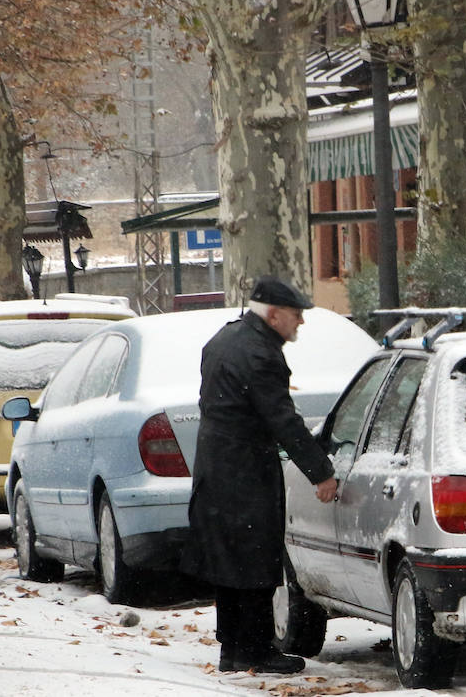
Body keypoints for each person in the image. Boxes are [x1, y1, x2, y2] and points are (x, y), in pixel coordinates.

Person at [180, 274, 337, 675]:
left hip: (215, 464)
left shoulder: (224, 339)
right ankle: (256, 650)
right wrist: (321, 472)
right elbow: (282, 419)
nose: (300, 322)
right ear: (273, 314)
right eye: (295, 315)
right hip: (246, 468)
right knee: (255, 556)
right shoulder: (260, 355)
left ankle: (233, 649)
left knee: (229, 558)